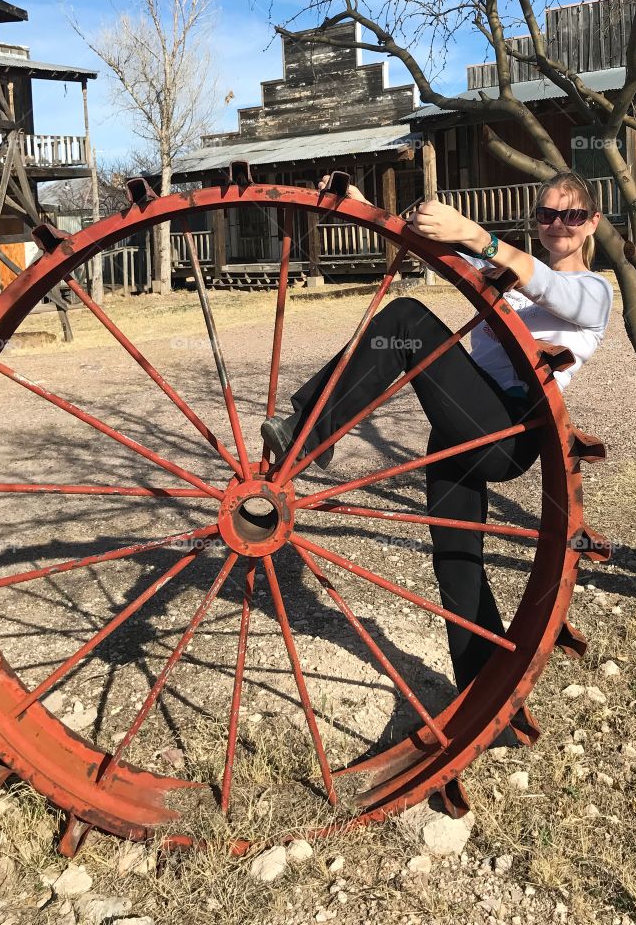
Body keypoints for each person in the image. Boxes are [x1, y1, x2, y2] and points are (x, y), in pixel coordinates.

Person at [261, 170, 613, 702]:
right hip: (463, 424)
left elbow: (545, 284)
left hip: (507, 433)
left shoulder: (593, 293)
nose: (557, 225)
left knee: (408, 319)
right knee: (455, 556)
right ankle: (482, 687)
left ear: (592, 224)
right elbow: (443, 252)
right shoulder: (509, 274)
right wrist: (370, 212)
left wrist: (478, 236)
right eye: (546, 214)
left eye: (570, 216)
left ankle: (309, 434)